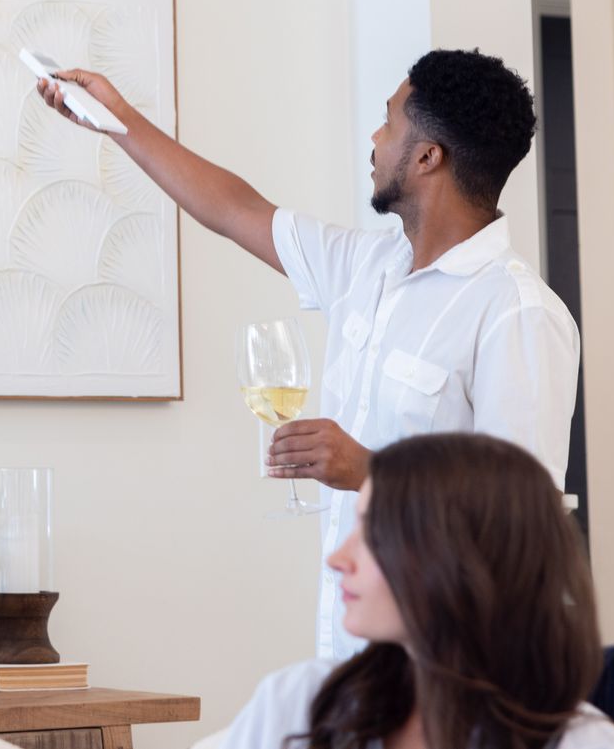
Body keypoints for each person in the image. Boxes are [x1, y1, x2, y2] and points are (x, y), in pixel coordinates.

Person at [38, 48, 579, 658]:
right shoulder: (365, 267)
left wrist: (372, 473)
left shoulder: (518, 312)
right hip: (346, 666)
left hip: (448, 671)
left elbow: (523, 520)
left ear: (428, 157)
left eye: (390, 122)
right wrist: (116, 119)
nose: (374, 140)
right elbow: (233, 208)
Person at [202, 433, 614, 749]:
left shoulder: (584, 742)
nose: (337, 559)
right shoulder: (300, 702)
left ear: (461, 557)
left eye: (373, 533)